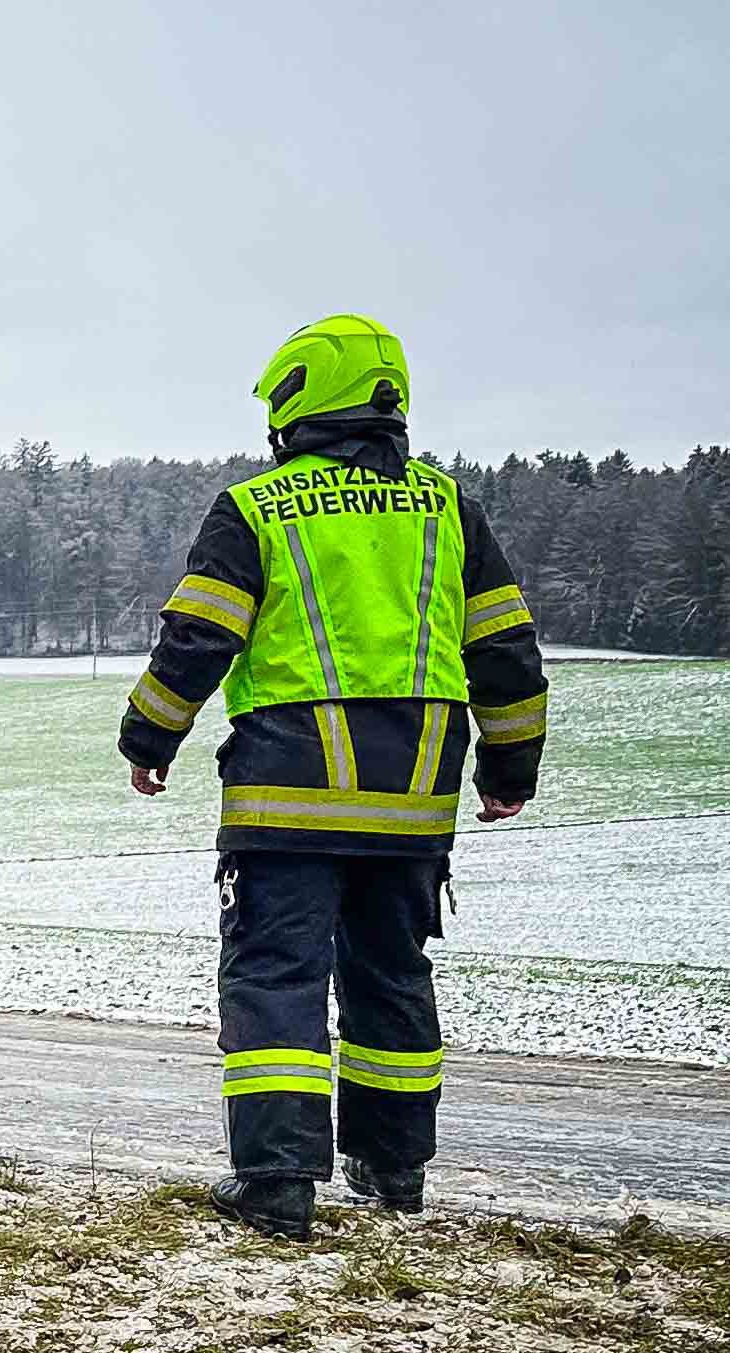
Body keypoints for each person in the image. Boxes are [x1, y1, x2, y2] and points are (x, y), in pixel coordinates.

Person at [118, 315, 549, 1240]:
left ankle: (276, 1182)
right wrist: (511, 768)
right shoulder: (447, 510)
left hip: (288, 794)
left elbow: (198, 637)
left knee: (275, 976)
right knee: (392, 972)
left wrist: (147, 739)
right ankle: (392, 1170)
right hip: (415, 795)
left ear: (295, 399)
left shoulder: (257, 507)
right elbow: (506, 650)